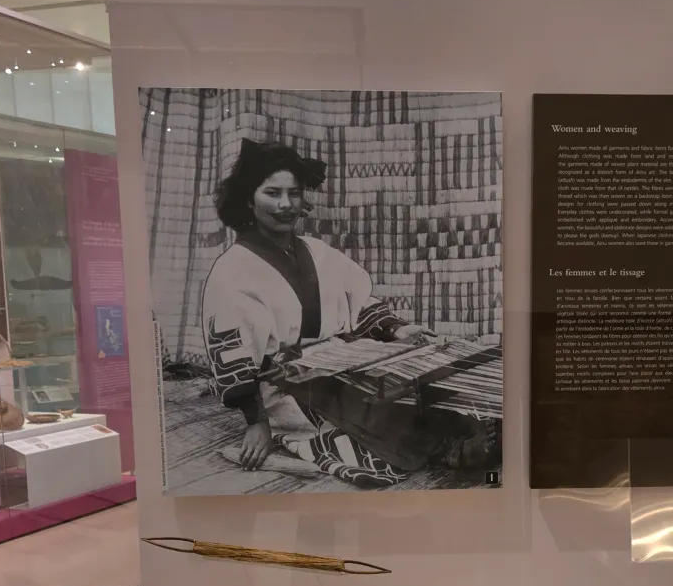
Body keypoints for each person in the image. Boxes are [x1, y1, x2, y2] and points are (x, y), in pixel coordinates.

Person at [202, 138, 496, 488]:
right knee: (371, 405)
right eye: (272, 193)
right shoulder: (232, 269)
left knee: (409, 384)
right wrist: (256, 422)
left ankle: (472, 431)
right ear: (249, 200)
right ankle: (450, 450)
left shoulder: (317, 251)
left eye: (294, 193)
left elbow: (359, 303)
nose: (285, 204)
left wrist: (396, 330)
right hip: (288, 380)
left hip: (344, 358)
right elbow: (232, 351)